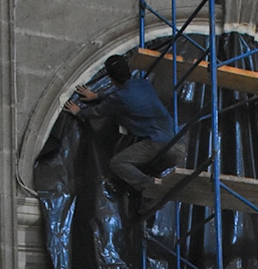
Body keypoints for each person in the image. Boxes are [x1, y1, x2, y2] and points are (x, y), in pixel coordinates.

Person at [63, 53, 183, 211]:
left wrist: (78, 112)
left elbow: (97, 112)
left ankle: (152, 187)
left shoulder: (120, 98)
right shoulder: (143, 84)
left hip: (158, 143)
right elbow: (122, 97)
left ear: (111, 79)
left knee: (118, 163)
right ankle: (149, 200)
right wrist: (97, 95)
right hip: (178, 146)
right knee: (148, 169)